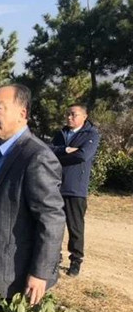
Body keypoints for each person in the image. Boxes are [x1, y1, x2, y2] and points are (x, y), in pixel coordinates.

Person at [0, 84, 65, 305]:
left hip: (18, 277)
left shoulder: (36, 156)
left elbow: (51, 218)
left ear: (22, 113)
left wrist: (40, 273)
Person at [50, 104, 100, 277]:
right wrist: (64, 149)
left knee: (75, 227)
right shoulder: (61, 134)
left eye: (73, 114)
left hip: (75, 189)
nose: (69, 117)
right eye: (67, 114)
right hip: (56, 186)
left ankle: (76, 260)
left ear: (84, 117)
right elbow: (49, 150)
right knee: (54, 225)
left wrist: (60, 157)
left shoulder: (91, 134)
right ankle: (54, 257)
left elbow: (83, 155)